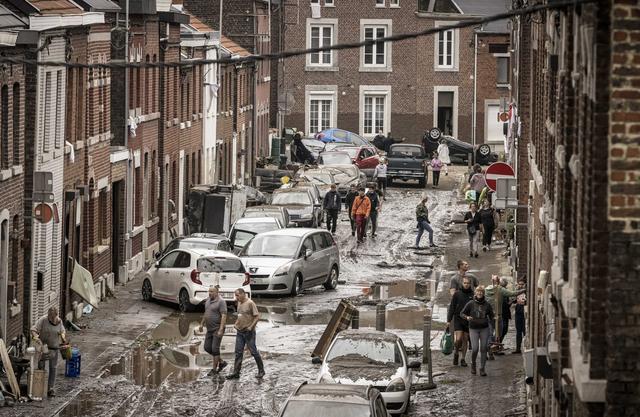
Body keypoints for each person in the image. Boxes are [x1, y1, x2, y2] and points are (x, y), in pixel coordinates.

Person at [226, 288, 264, 379]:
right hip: (240, 331)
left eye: (237, 295)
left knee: (253, 352)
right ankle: (236, 372)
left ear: (243, 294)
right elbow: (240, 315)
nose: (236, 297)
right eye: (236, 295)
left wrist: (251, 327)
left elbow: (257, 316)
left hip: (248, 332)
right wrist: (236, 324)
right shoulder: (239, 303)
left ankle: (261, 371)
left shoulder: (250, 303)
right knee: (238, 352)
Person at [31, 307, 67, 397]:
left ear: (56, 315)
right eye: (50, 317)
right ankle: (40, 387)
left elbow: (62, 331)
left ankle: (50, 388)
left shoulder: (59, 321)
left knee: (53, 368)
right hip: (43, 347)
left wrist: (63, 337)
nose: (51, 319)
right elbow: (34, 329)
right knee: (41, 366)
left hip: (54, 347)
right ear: (48, 315)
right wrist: (36, 337)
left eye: (53, 317)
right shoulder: (43, 320)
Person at [485, 275, 525, 354]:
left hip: (489, 315)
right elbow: (513, 293)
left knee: (490, 333)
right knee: (498, 333)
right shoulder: (500, 289)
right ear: (498, 282)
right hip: (498, 315)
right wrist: (524, 290)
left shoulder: (487, 289)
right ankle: (493, 348)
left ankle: (490, 349)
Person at [460, 285, 495, 376]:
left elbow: (491, 317)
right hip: (473, 329)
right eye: (478, 292)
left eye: (481, 292)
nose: (479, 293)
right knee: (475, 348)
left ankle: (482, 368)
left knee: (483, 348)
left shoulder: (487, 305)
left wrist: (493, 327)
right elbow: (462, 313)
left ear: (483, 293)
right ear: (475, 293)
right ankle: (473, 363)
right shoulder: (470, 303)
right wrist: (467, 317)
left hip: (484, 328)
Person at [199, 286, 228, 376]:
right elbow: (206, 313)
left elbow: (224, 316)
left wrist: (221, 329)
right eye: (209, 291)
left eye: (212, 291)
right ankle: (222, 362)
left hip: (217, 329)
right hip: (209, 329)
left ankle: (214, 370)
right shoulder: (208, 300)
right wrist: (201, 323)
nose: (210, 293)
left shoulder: (221, 302)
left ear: (217, 292)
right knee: (207, 348)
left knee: (215, 349)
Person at [447, 276, 474, 367]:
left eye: (468, 283)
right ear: (462, 283)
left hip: (467, 319)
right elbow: (452, 307)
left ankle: (463, 358)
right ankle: (456, 353)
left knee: (465, 339)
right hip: (458, 318)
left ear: (470, 284)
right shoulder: (457, 294)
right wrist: (449, 320)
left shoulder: (472, 294)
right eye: (465, 283)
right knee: (458, 339)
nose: (466, 285)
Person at [513, 279, 527, 354]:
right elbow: (513, 300)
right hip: (518, 313)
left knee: (525, 331)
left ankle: (526, 348)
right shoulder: (517, 292)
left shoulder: (527, 292)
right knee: (518, 331)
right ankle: (518, 349)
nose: (520, 285)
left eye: (522, 284)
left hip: (524, 313)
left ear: (525, 284)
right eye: (519, 284)